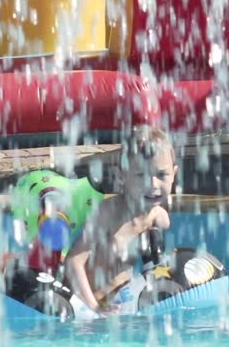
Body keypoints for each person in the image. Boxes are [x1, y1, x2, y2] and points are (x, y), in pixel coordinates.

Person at [63, 125, 178, 316]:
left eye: (161, 175)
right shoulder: (107, 213)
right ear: (121, 176)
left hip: (121, 304)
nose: (152, 185)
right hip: (87, 304)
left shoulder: (158, 215)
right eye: (141, 175)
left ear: (174, 174)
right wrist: (93, 308)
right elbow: (73, 261)